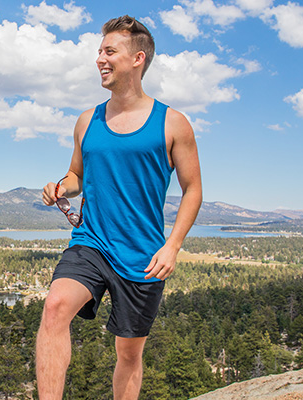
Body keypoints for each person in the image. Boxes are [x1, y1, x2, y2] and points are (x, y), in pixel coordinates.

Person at [36, 15, 202, 400]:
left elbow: (193, 189)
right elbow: (76, 176)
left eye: (110, 51)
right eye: (99, 52)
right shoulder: (86, 121)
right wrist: (60, 186)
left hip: (142, 255)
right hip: (91, 242)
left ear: (138, 58)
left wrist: (172, 245)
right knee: (56, 306)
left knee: (128, 353)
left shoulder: (173, 124)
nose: (100, 59)